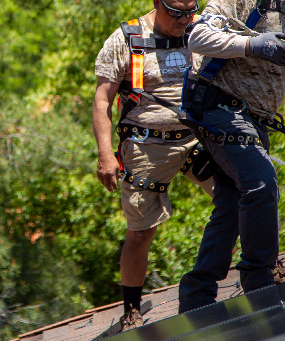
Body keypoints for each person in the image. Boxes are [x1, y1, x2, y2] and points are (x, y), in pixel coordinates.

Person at [176, 0, 285, 313]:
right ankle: (259, 280)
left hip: (257, 119)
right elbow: (197, 36)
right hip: (217, 105)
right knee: (261, 185)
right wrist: (251, 45)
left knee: (230, 206)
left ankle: (197, 296)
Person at [92, 0, 214, 331]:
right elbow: (103, 99)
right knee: (141, 232)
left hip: (198, 137)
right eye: (176, 12)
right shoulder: (127, 38)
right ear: (157, 3)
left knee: (243, 194)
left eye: (191, 9)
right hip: (147, 144)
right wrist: (105, 154)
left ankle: (262, 266)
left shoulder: (204, 27)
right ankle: (131, 309)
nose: (185, 19)